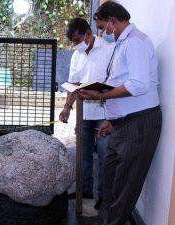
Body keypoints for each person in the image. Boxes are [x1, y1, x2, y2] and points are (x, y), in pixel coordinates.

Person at [79, 1, 162, 224]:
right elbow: (120, 80)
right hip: (124, 124)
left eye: (103, 28)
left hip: (139, 125)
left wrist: (102, 96)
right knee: (111, 182)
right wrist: (111, 120)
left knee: (124, 188)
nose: (102, 33)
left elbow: (138, 85)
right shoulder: (121, 43)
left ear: (113, 22)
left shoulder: (135, 42)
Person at [59, 18, 114, 209]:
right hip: (84, 113)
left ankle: (103, 197)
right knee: (83, 155)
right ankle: (84, 190)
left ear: (88, 33)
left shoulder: (108, 50)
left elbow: (114, 82)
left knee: (104, 154)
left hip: (105, 113)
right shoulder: (77, 55)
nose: (76, 44)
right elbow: (73, 84)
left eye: (77, 39)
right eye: (73, 42)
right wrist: (67, 107)